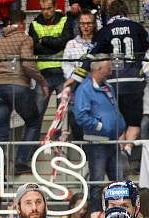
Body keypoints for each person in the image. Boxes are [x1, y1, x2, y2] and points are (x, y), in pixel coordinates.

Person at [75, 1, 149, 154]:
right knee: (134, 122)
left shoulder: (104, 31)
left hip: (113, 83)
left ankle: (120, 148)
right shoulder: (138, 28)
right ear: (126, 12)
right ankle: (128, 148)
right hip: (135, 82)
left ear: (109, 13)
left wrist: (76, 78)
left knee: (119, 122)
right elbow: (148, 51)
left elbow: (92, 55)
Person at [0, 10, 48, 176]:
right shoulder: (25, 38)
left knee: (0, 130)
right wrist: (42, 82)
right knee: (33, 121)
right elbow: (27, 64)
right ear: (23, 22)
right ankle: (21, 161)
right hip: (18, 85)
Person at [73, 55, 128, 213]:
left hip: (113, 141)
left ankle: (120, 211)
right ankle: (95, 213)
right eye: (108, 67)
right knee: (97, 180)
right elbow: (80, 116)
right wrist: (100, 126)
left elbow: (115, 110)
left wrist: (120, 127)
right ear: (98, 68)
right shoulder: (84, 89)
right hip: (96, 142)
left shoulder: (108, 88)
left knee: (118, 181)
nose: (110, 70)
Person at [29, 0, 72, 122]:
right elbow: (35, 48)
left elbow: (66, 43)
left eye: (49, 8)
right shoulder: (34, 24)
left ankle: (59, 140)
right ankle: (33, 141)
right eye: (43, 9)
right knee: (36, 115)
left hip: (62, 72)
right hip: (43, 75)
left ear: (55, 7)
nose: (46, 12)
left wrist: (45, 40)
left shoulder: (65, 20)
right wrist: (56, 44)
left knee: (63, 116)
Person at [62, 10, 96, 140]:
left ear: (93, 24)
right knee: (76, 119)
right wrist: (75, 77)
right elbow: (66, 65)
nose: (86, 27)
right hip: (77, 89)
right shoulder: (71, 44)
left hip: (94, 88)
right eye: (83, 24)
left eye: (89, 23)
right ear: (79, 25)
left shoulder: (98, 43)